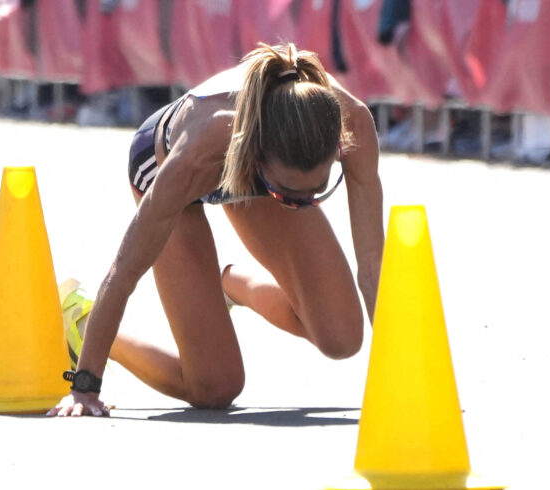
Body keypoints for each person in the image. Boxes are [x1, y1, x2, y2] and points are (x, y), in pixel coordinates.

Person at [47, 43, 383, 417]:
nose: (300, 206)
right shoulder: (202, 150)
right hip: (165, 164)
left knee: (342, 338)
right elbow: (125, 270)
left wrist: (402, 378)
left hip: (255, 168)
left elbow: (372, 267)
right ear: (257, 156)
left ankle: (230, 284)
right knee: (214, 388)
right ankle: (80, 318)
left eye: (315, 193)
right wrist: (84, 388)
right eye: (289, 195)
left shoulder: (353, 122)